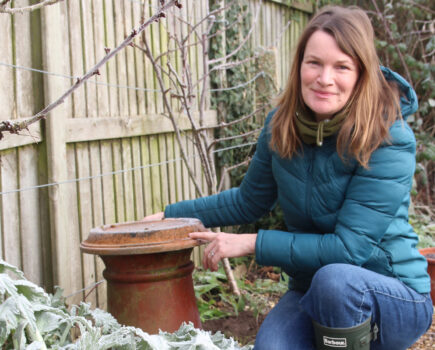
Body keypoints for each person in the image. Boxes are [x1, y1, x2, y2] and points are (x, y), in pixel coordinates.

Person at [144, 5, 433, 350]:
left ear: (362, 74)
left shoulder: (388, 137)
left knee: (337, 282)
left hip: (392, 295)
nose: (324, 78)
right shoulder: (281, 125)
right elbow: (248, 200)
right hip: (313, 289)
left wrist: (252, 243)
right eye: (314, 63)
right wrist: (170, 216)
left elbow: (349, 249)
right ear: (299, 67)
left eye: (341, 67)